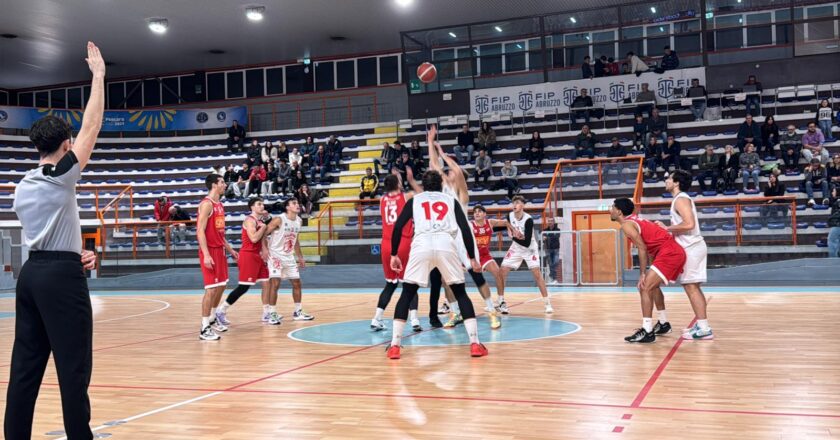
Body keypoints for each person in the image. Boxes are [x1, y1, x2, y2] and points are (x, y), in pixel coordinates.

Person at [5, 42, 103, 440]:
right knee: (73, 369)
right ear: (65, 145)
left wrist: (70, 252)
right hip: (60, 280)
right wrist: (98, 76)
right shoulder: (60, 175)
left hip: (34, 274)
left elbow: (45, 233)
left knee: (25, 369)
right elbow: (92, 126)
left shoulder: (22, 186)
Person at [385, 170, 487, 359]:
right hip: (445, 243)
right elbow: (465, 228)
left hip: (421, 243)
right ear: (441, 184)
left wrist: (394, 254)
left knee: (407, 293)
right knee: (460, 292)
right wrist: (472, 257)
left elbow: (398, 226)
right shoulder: (450, 200)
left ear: (423, 185)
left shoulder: (415, 200)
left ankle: (394, 346)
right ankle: (474, 344)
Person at [610, 198, 686, 343]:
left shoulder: (626, 225)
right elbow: (651, 244)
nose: (610, 209)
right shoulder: (635, 220)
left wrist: (642, 274)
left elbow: (642, 248)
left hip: (669, 253)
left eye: (612, 207)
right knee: (653, 286)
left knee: (644, 287)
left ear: (619, 211)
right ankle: (663, 324)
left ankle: (647, 331)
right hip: (669, 251)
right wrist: (651, 268)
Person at [656, 171, 713, 340]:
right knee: (692, 286)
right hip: (693, 247)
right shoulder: (681, 198)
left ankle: (704, 329)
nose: (666, 180)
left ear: (676, 182)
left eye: (669, 178)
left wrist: (666, 228)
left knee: (691, 287)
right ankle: (702, 325)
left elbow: (689, 224)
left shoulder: (680, 199)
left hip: (692, 247)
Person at [216, 197, 280, 326]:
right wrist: (264, 227)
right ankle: (221, 310)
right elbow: (254, 238)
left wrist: (265, 249)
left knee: (267, 282)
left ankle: (266, 313)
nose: (262, 206)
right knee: (244, 287)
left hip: (258, 255)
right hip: (248, 256)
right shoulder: (249, 220)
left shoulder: (259, 220)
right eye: (259, 204)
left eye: (263, 204)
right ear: (252, 207)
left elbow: (261, 239)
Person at [370, 174, 421, 332]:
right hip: (403, 241)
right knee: (410, 283)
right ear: (398, 184)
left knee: (390, 284)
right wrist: (409, 180)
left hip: (386, 243)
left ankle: (376, 318)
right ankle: (414, 320)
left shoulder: (382, 200)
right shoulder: (407, 196)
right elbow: (422, 193)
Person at [197, 174, 239, 341]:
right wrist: (206, 254)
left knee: (221, 286)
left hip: (220, 250)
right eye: (222, 182)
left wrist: (230, 249)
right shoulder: (207, 204)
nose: (225, 184)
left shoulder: (220, 205)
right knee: (211, 289)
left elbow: (220, 233)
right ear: (214, 185)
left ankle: (213, 318)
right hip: (210, 251)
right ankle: (204, 327)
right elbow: (200, 231)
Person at [497, 195, 553, 315]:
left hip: (529, 249)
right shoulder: (510, 216)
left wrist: (513, 237)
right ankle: (501, 302)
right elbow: (504, 225)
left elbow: (527, 242)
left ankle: (547, 303)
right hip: (516, 248)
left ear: (523, 205)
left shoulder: (528, 219)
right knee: (502, 271)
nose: (515, 205)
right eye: (514, 203)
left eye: (517, 203)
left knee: (537, 275)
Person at [265, 198, 313, 321]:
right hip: (275, 255)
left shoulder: (299, 221)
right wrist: (264, 249)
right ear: (287, 207)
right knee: (275, 283)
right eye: (294, 203)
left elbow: (295, 240)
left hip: (289, 256)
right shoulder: (279, 219)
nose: (297, 205)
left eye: (298, 203)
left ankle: (298, 311)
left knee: (297, 283)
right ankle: (272, 313)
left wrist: (300, 257)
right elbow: (263, 233)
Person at [470, 205, 510, 325]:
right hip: (472, 257)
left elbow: (506, 222)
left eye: (479, 212)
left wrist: (514, 229)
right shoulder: (470, 225)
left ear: (484, 214)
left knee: (498, 273)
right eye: (475, 212)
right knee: (455, 279)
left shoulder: (490, 223)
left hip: (485, 256)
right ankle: (448, 303)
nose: (477, 213)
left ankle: (501, 301)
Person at [543, 216, 561, 284]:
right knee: (550, 264)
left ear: (554, 222)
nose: (550, 222)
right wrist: (549, 236)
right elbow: (543, 238)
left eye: (551, 221)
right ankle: (554, 279)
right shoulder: (545, 230)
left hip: (556, 248)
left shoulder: (558, 229)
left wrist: (547, 237)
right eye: (549, 221)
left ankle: (551, 276)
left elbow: (557, 236)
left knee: (555, 262)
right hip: (548, 248)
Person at [828, 187, 840, 258]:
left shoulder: (838, 202)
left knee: (832, 241)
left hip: (837, 225)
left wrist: (830, 219)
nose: (832, 193)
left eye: (834, 191)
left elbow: (837, 214)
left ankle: (833, 261)